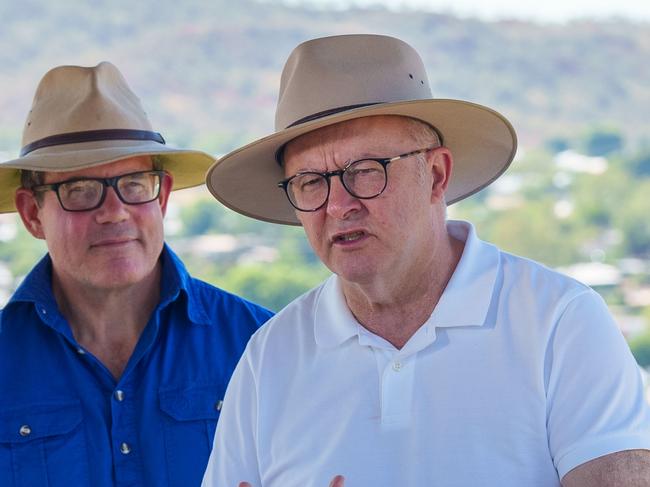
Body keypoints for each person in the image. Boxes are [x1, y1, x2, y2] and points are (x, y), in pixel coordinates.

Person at [201, 34, 650, 486]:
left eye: (364, 172)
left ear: (436, 175)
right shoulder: (269, 357)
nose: (338, 205)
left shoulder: (560, 322)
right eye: (310, 181)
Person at [0, 62, 273, 487]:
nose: (114, 212)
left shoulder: (261, 346)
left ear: (161, 196)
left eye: (134, 183)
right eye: (80, 190)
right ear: (32, 214)